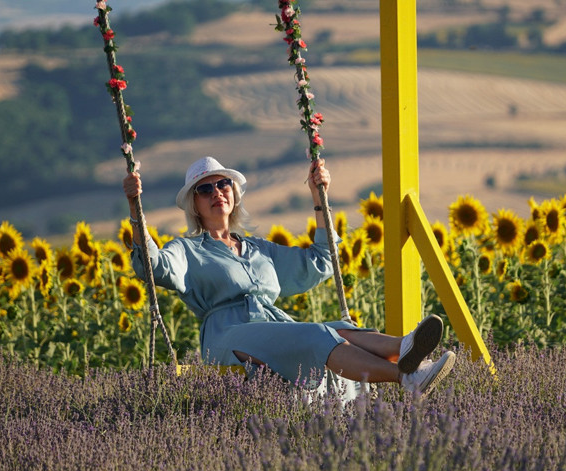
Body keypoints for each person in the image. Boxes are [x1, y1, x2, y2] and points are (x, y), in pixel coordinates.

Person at [123, 156, 455, 398]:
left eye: (223, 184)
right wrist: (135, 208)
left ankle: (405, 347)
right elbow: (154, 267)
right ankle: (406, 378)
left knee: (338, 330)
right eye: (204, 189)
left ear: (234, 193)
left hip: (273, 325)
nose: (217, 192)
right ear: (194, 204)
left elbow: (322, 261)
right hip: (227, 336)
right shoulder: (187, 249)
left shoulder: (259, 250)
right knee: (316, 335)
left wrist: (317, 195)